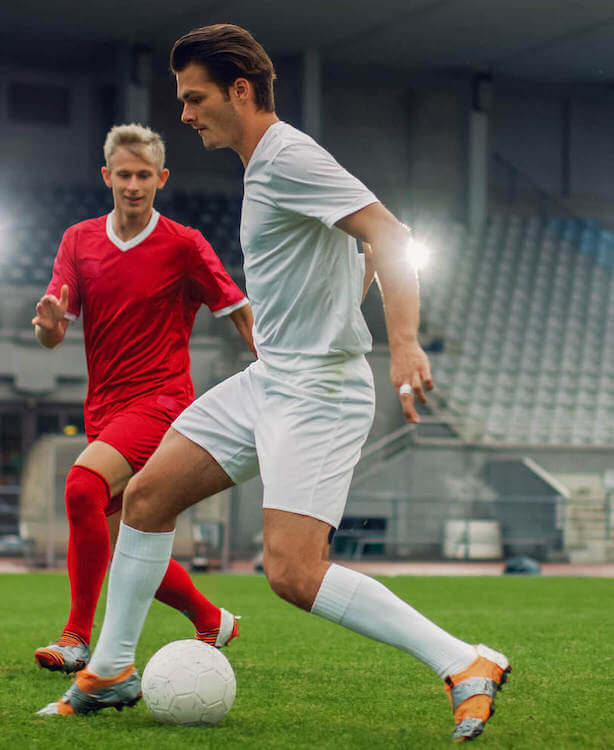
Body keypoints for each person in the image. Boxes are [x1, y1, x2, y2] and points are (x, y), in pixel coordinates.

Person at [38, 26, 511, 742]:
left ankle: (464, 662)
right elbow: (351, 253)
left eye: (195, 99)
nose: (187, 115)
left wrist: (404, 344)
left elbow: (389, 232)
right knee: (146, 496)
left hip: (318, 392)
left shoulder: (287, 156)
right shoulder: (265, 167)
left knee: (293, 572)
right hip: (273, 378)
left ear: (240, 90)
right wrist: (338, 302)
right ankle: (109, 670)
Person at [32, 122, 254, 674]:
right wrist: (49, 327)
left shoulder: (183, 244)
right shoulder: (78, 240)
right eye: (124, 174)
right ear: (107, 176)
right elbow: (53, 332)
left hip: (162, 401)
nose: (134, 185)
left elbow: (238, 310)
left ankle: (76, 637)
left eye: (144, 175)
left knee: (82, 485)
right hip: (104, 409)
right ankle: (212, 619)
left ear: (162, 179)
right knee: (125, 532)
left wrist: (278, 369)